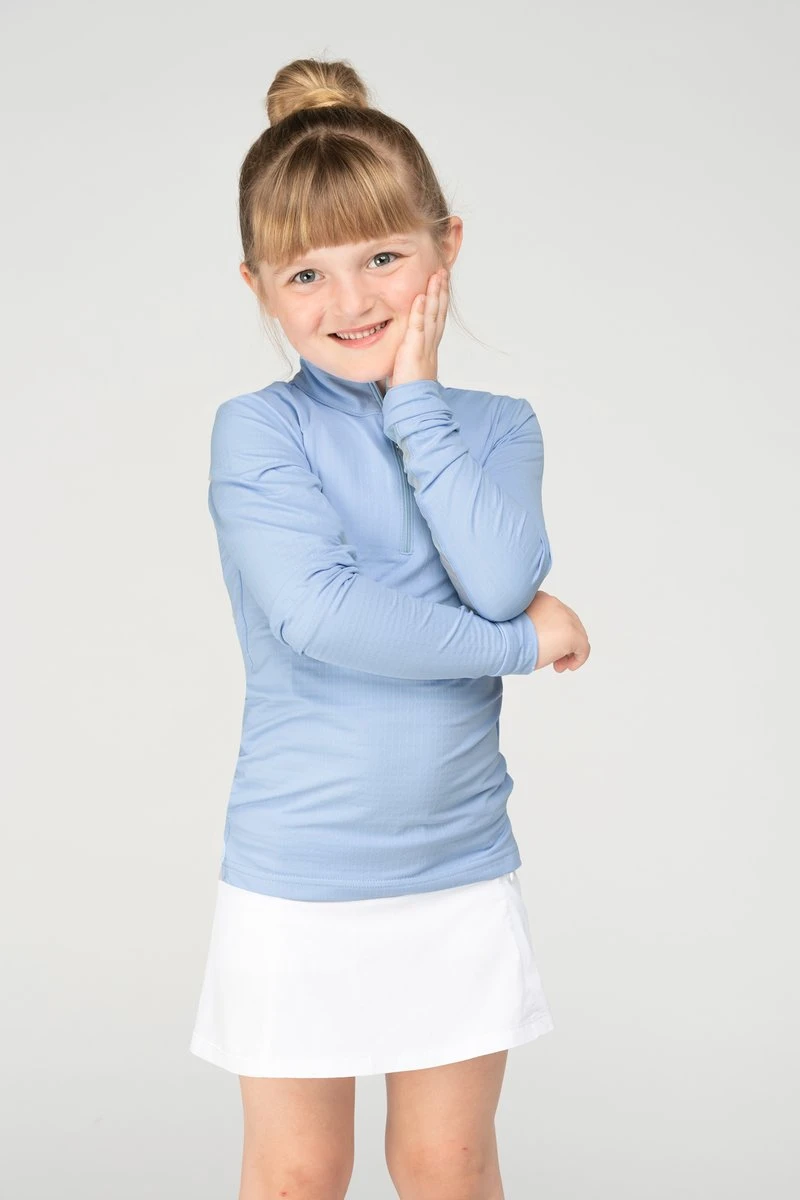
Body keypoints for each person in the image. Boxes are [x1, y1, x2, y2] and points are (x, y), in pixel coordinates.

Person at [190, 55, 590, 1200]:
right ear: (258, 285)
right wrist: (522, 645)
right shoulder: (258, 433)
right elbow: (323, 616)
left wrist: (415, 403)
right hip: (298, 869)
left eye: (381, 257)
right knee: (298, 1173)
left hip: (454, 866)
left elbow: (498, 577)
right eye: (304, 274)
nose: (350, 301)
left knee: (446, 1164)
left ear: (443, 245)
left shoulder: (494, 426)